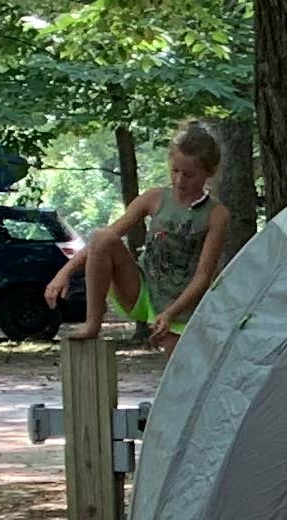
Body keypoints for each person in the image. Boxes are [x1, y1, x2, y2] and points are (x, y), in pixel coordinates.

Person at [50, 119, 239, 348]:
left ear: (208, 172)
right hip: (140, 290)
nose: (179, 180)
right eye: (175, 171)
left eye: (188, 175)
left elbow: (203, 276)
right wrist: (65, 272)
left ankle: (172, 329)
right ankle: (92, 323)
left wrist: (170, 314)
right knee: (102, 236)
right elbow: (103, 241)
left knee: (177, 373)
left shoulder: (217, 214)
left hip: (181, 303)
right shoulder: (154, 198)